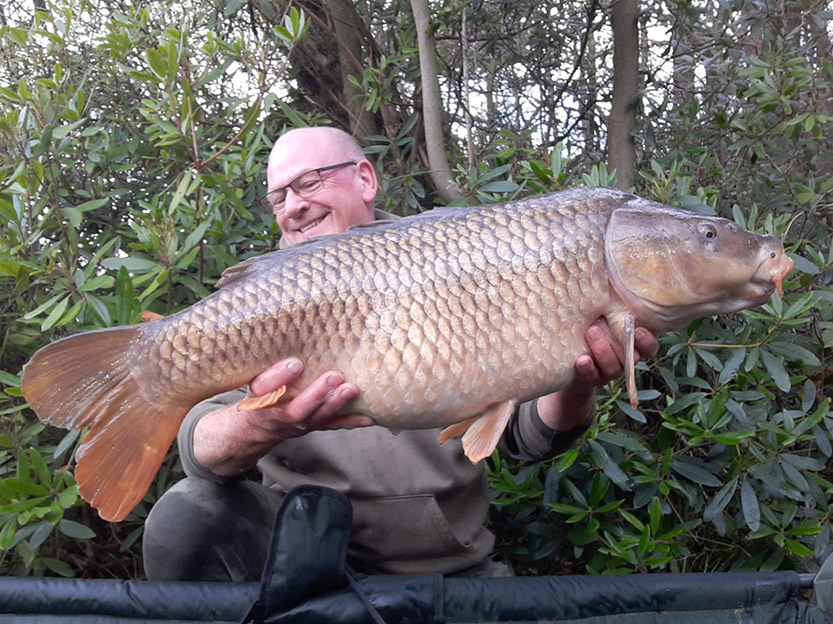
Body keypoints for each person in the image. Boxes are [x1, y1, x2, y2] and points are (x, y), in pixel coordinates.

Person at [142, 127, 658, 581]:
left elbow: (530, 441)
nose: (293, 206)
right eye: (278, 197)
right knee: (185, 517)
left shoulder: (466, 258)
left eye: (309, 182)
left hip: (446, 565)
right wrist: (267, 423)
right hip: (302, 552)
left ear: (365, 179)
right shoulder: (265, 299)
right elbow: (201, 452)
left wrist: (582, 381)